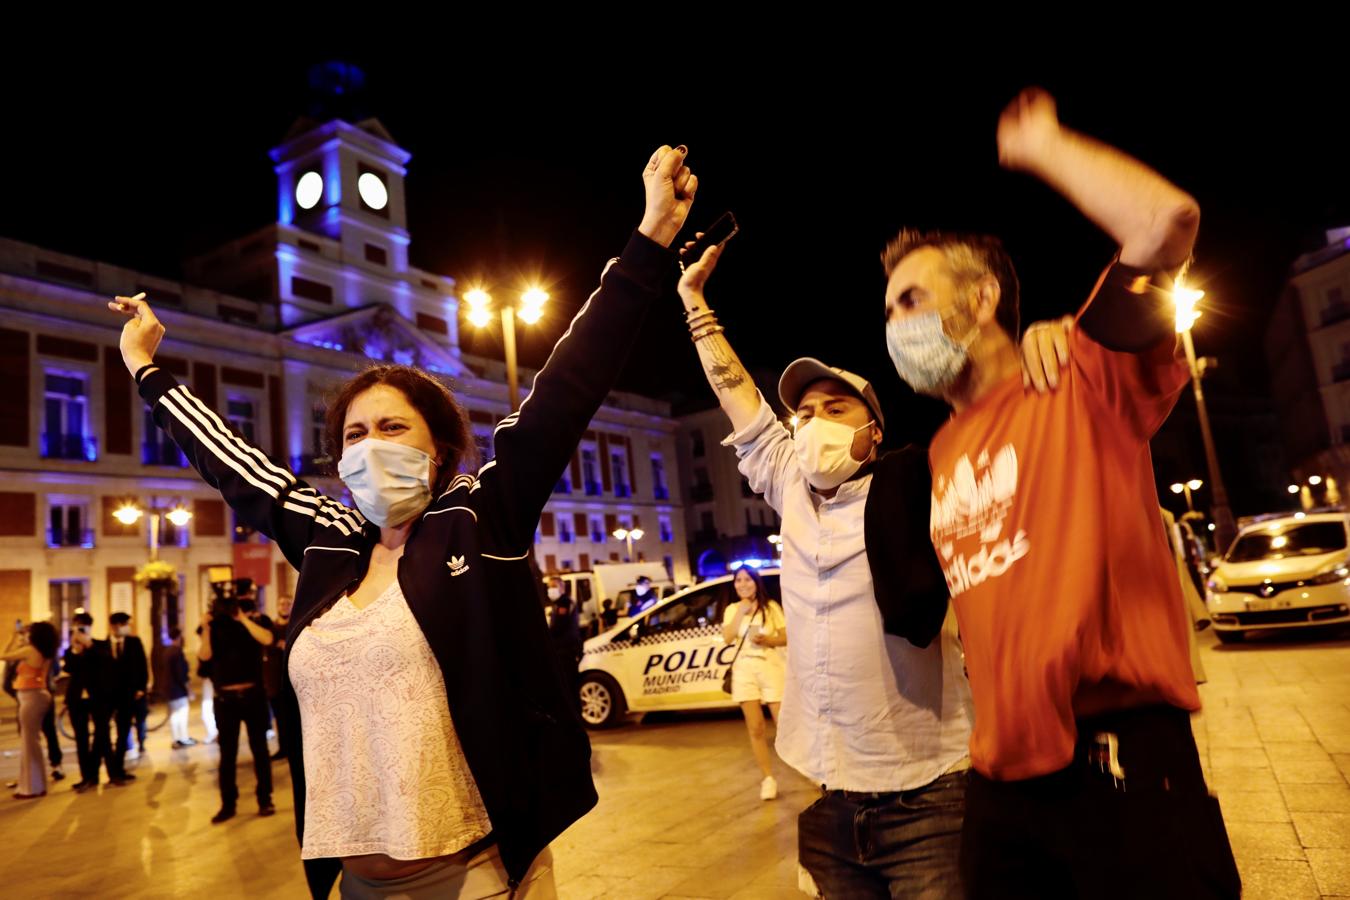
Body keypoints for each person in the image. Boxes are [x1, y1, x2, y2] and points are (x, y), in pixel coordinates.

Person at [113, 143, 697, 898]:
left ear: (440, 446)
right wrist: (147, 370)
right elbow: (235, 465)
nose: (368, 447)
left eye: (393, 429)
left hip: (475, 877)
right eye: (354, 435)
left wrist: (645, 244)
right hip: (353, 884)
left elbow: (568, 386)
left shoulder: (478, 521)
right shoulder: (329, 541)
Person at [882, 88, 1239, 897]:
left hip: (1119, 773)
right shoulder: (941, 449)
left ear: (982, 300)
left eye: (913, 299)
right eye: (888, 309)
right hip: (1001, 788)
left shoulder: (1079, 372)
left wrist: (1042, 144)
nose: (895, 323)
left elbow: (1166, 222)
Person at [675, 216, 1067, 898]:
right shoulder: (787, 487)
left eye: (836, 407)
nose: (815, 422)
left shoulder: (920, 481)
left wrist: (1035, 345)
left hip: (931, 795)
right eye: (804, 413)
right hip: (829, 802)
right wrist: (694, 303)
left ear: (874, 429)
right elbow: (736, 393)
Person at [198, 588, 275, 823]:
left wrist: (242, 618)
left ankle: (265, 800)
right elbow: (204, 656)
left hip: (253, 696)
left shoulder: (253, 624)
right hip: (225, 701)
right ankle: (228, 804)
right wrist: (206, 626)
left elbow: (268, 639)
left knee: (260, 750)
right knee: (227, 755)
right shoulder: (213, 629)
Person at [720, 565, 786, 800]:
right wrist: (741, 611)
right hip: (744, 670)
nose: (743, 584)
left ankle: (811, 771)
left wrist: (769, 639)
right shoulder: (731, 610)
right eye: (738, 580)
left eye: (748, 579)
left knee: (784, 724)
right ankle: (768, 778)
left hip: (770, 666)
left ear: (756, 582)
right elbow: (727, 637)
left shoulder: (770, 607)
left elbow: (785, 636)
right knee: (756, 727)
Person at [63, 612, 123, 790]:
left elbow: (106, 663)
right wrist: (75, 650)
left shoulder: (100, 645)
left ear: (89, 628)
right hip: (77, 699)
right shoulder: (71, 650)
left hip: (98, 698)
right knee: (81, 740)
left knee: (102, 736)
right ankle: (87, 777)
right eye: (77, 627)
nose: (80, 631)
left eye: (83, 627)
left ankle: (113, 774)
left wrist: (88, 645)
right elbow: (68, 668)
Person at [2, 621, 59, 798]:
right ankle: (35, 785)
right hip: (37, 695)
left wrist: (13, 636)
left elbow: (3, 655)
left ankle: (31, 787)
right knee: (31, 742)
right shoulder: (45, 651)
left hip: (31, 697)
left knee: (29, 743)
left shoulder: (30, 650)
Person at [108, 612, 149, 766]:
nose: (125, 627)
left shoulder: (134, 642)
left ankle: (141, 741)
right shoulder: (106, 644)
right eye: (123, 624)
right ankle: (123, 752)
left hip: (135, 693)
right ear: (115, 626)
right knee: (121, 726)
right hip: (117, 695)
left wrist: (141, 688)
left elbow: (142, 666)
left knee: (140, 719)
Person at [264, 594, 295, 761]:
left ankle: (292, 748)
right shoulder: (271, 628)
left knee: (290, 718)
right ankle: (283, 748)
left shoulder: (294, 625)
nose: (284, 606)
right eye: (281, 603)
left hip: (290, 681)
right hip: (274, 682)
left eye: (287, 603)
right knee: (279, 719)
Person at [165, 628, 195, 749]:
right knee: (182, 715)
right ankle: (183, 738)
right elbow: (181, 674)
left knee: (174, 715)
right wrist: (189, 690)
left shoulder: (166, 651)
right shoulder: (178, 652)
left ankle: (176, 739)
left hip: (169, 689)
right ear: (179, 637)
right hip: (178, 690)